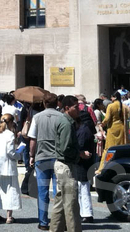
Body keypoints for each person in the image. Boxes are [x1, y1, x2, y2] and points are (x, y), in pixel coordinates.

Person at [29, 92, 62, 231]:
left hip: (42, 157)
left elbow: (33, 139)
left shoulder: (37, 117)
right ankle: (58, 221)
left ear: (44, 103)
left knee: (42, 192)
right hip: (58, 157)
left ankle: (43, 222)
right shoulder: (61, 117)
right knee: (57, 192)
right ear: (57, 103)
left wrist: (31, 155)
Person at [49, 95, 82, 232]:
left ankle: (55, 229)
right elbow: (65, 148)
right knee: (71, 204)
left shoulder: (65, 121)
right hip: (66, 165)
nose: (79, 109)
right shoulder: (66, 124)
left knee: (60, 203)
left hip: (62, 165)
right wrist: (80, 154)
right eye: (76, 107)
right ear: (67, 108)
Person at [0, 113, 22, 224]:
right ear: (11, 122)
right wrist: (19, 155)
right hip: (8, 165)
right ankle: (9, 216)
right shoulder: (10, 134)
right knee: (10, 190)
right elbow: (10, 152)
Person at [75, 108, 96, 223]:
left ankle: (86, 213)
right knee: (84, 188)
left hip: (82, 163)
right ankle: (85, 213)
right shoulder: (88, 129)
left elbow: (80, 146)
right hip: (87, 163)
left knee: (83, 189)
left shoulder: (83, 130)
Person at [99, 92, 128, 171]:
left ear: (114, 97)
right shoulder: (125, 107)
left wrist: (102, 124)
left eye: (111, 97)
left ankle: (104, 168)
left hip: (112, 129)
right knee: (121, 148)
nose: (111, 99)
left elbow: (107, 118)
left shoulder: (111, 106)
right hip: (122, 129)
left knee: (109, 149)